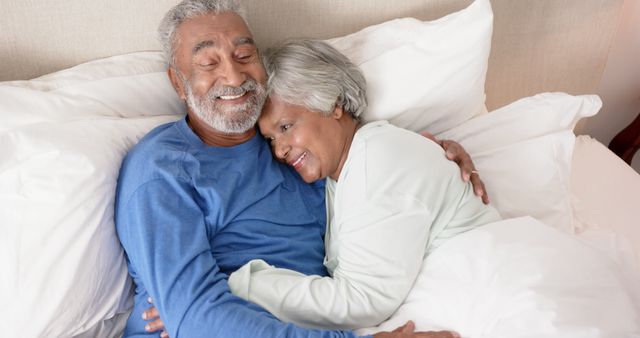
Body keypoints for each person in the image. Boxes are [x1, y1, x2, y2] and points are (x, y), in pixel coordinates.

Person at [116, 0, 485, 337]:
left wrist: (436, 155)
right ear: (177, 83)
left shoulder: (293, 147)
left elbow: (367, 161)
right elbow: (196, 317)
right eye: (208, 64)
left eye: (244, 54)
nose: (233, 76)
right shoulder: (162, 170)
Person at [222, 39, 501, 330]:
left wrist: (238, 285)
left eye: (286, 127)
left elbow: (360, 302)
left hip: (483, 292)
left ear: (333, 104)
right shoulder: (344, 168)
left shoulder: (375, 162)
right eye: (270, 139)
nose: (279, 150)